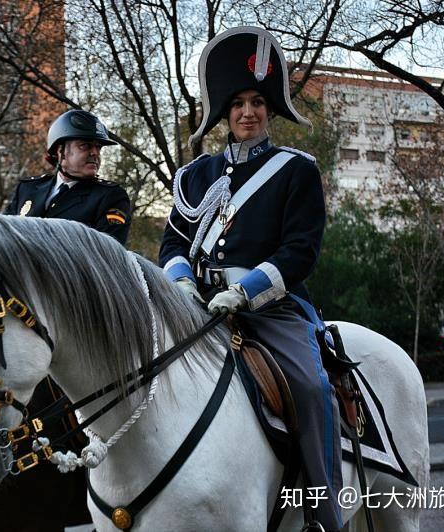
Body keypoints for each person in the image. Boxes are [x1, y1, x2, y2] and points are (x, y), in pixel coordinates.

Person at [158, 26, 342, 531]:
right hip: (196, 306)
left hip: (271, 310)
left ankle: (323, 511)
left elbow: (300, 250)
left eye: (258, 101)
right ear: (223, 111)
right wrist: (181, 285)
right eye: (237, 102)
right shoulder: (194, 176)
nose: (247, 112)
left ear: (270, 108)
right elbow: (173, 243)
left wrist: (245, 291)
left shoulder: (295, 170)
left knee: (308, 386)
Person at [5, 109, 132, 245]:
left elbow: (107, 252)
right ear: (61, 152)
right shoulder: (27, 189)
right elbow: (2, 236)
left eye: (98, 147)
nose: (95, 153)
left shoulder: (110, 197)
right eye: (85, 146)